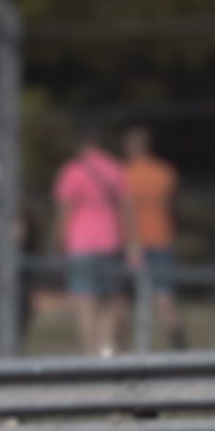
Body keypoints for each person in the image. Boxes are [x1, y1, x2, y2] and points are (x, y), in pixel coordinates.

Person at [53, 124, 132, 357]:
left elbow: (65, 211)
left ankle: (90, 353)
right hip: (110, 240)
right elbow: (126, 208)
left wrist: (59, 242)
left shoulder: (72, 170)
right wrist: (131, 243)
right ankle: (106, 349)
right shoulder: (115, 168)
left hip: (80, 243)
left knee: (86, 303)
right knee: (110, 300)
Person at [122, 123, 184, 351]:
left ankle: (121, 348)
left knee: (125, 300)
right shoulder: (165, 172)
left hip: (134, 243)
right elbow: (173, 207)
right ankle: (178, 346)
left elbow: (124, 211)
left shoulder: (124, 174)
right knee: (165, 297)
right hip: (162, 238)